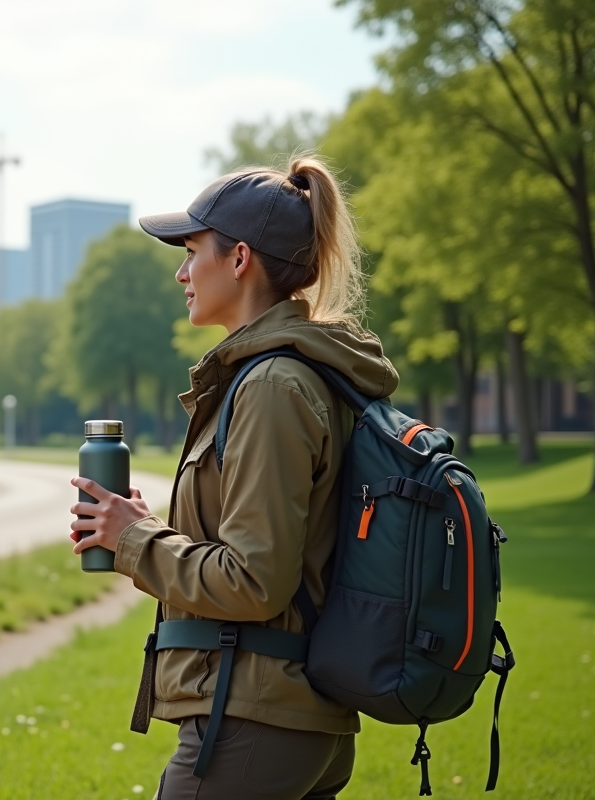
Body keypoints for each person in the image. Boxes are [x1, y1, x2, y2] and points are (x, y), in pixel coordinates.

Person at [69, 155, 399, 799]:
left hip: (255, 724)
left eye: (193, 250)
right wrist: (144, 529)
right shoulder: (289, 375)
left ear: (240, 257)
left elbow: (254, 582)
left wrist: (136, 543)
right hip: (281, 719)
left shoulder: (273, 385)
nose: (181, 271)